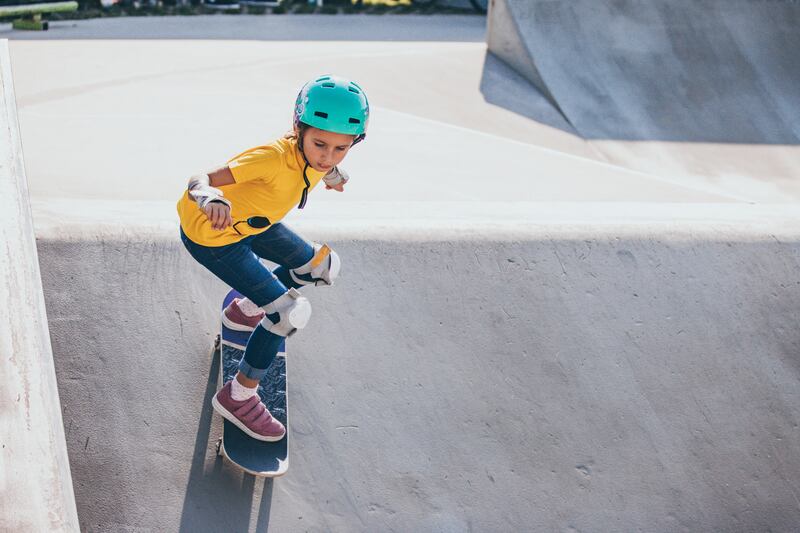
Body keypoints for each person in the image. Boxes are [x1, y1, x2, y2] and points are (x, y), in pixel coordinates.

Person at [177, 75, 369, 441]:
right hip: (213, 236)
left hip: (252, 225)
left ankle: (246, 310)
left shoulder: (320, 161)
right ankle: (239, 396)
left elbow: (323, 166)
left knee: (322, 266)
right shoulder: (270, 159)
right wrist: (211, 198)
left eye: (341, 148)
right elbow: (199, 178)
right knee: (289, 313)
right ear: (298, 129)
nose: (326, 156)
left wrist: (332, 175)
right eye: (319, 144)